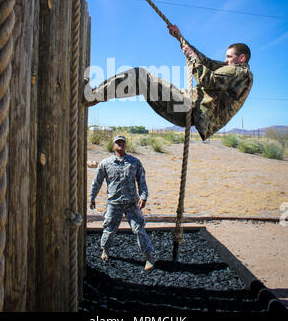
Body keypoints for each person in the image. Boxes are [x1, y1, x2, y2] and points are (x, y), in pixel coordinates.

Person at [84, 24, 253, 141]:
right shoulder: (233, 72)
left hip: (190, 107)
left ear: (241, 58)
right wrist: (180, 38)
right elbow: (206, 61)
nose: (226, 60)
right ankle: (95, 95)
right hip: (189, 108)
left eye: (229, 57)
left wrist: (192, 57)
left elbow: (207, 78)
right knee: (142, 82)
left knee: (140, 76)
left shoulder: (240, 72)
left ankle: (94, 96)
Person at [89, 135, 156, 271]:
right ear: (113, 146)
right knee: (109, 229)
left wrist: (143, 197)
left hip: (132, 203)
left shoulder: (135, 162)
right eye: (117, 142)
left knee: (139, 229)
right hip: (113, 203)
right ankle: (105, 251)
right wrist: (92, 197)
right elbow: (97, 182)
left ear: (126, 145)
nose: (120, 144)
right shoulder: (105, 163)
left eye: (122, 142)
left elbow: (141, 181)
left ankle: (149, 257)